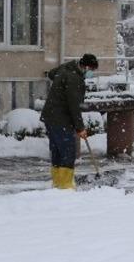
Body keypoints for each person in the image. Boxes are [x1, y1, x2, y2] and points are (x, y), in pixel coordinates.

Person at [41, 53, 98, 189]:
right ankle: (66, 186)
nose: (91, 74)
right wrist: (80, 128)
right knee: (67, 152)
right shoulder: (74, 79)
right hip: (61, 119)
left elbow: (51, 74)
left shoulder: (67, 68)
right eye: (92, 70)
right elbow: (74, 107)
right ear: (86, 67)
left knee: (57, 151)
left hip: (51, 116)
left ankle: (57, 183)